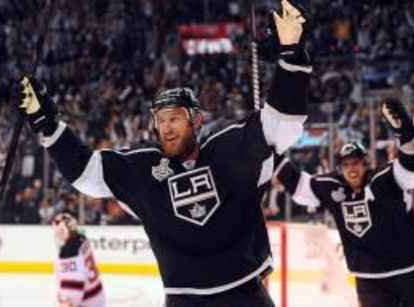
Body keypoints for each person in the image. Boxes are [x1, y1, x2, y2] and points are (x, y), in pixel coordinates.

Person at [18, 1, 311, 306]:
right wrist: (48, 125)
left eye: (175, 118)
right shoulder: (143, 168)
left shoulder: (228, 147)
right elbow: (87, 174)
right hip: (183, 299)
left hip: (245, 295)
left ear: (196, 120)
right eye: (161, 120)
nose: (167, 128)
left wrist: (292, 58)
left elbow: (283, 125)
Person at [273, 97, 414, 307]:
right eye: (346, 164)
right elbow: (298, 187)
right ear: (340, 167)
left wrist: (406, 135)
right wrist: (272, 154)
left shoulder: (385, 180)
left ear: (366, 164)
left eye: (357, 163)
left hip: (409, 271)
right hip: (369, 280)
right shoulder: (333, 187)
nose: (352, 169)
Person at [53, 212, 106, 307]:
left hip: (86, 302)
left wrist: (66, 302)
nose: (57, 235)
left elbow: (72, 295)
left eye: (59, 231)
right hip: (98, 295)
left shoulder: (69, 253)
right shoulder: (82, 239)